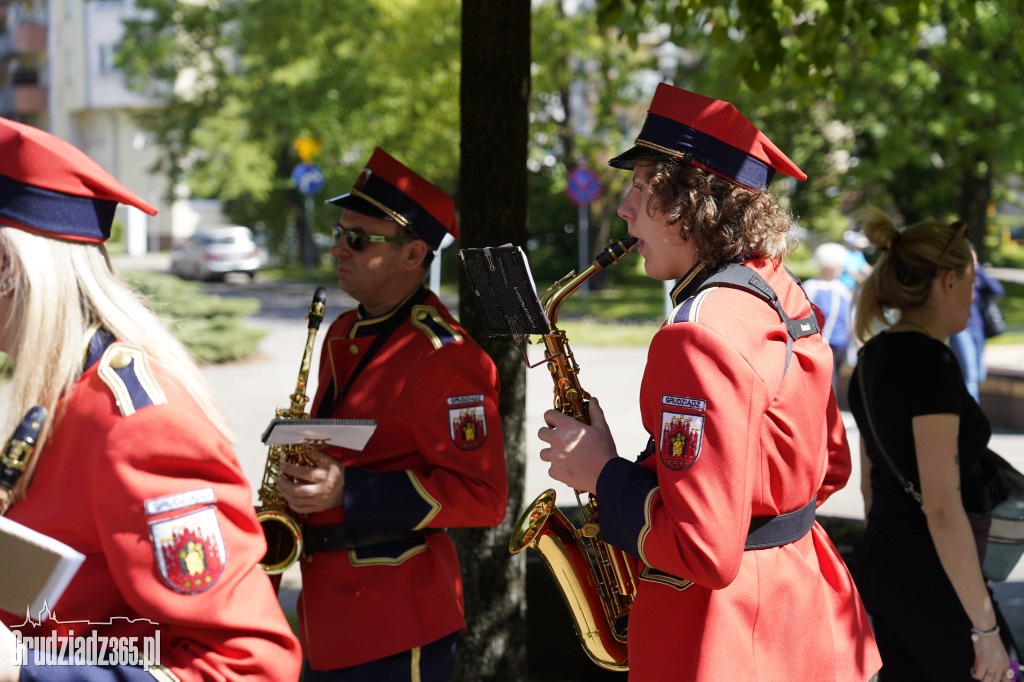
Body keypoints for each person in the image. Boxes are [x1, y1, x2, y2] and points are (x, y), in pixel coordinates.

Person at [535, 83, 880, 680]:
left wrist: (603, 472)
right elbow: (831, 467)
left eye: (642, 187)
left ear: (692, 203)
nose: (624, 208)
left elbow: (703, 551)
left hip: (725, 639)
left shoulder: (696, 333)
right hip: (804, 615)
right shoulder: (781, 291)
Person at [0, 118, 301, 680]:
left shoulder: (136, 425)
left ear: (8, 267)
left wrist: (27, 671)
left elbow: (248, 667)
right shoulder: (58, 388)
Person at [276, 148, 508, 681]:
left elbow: (485, 499)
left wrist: (348, 492)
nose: (338, 248)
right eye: (340, 232)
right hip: (325, 615)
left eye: (357, 239)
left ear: (413, 254)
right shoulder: (342, 332)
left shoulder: (446, 356)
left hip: (396, 623)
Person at [849, 209, 1019, 681]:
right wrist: (984, 631)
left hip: (882, 561)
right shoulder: (932, 364)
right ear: (946, 280)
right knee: (1003, 672)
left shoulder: (871, 357)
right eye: (971, 279)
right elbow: (942, 508)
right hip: (932, 574)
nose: (974, 293)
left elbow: (869, 486)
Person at [950, 247, 1005, 402]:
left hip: (978, 328)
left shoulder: (977, 277)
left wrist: (979, 271)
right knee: (971, 376)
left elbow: (998, 290)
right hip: (961, 329)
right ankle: (972, 417)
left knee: (979, 373)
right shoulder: (954, 278)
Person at [803, 242, 854, 393]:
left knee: (834, 382)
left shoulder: (842, 289)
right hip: (819, 345)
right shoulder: (810, 287)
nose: (842, 268)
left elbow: (851, 317)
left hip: (840, 345)